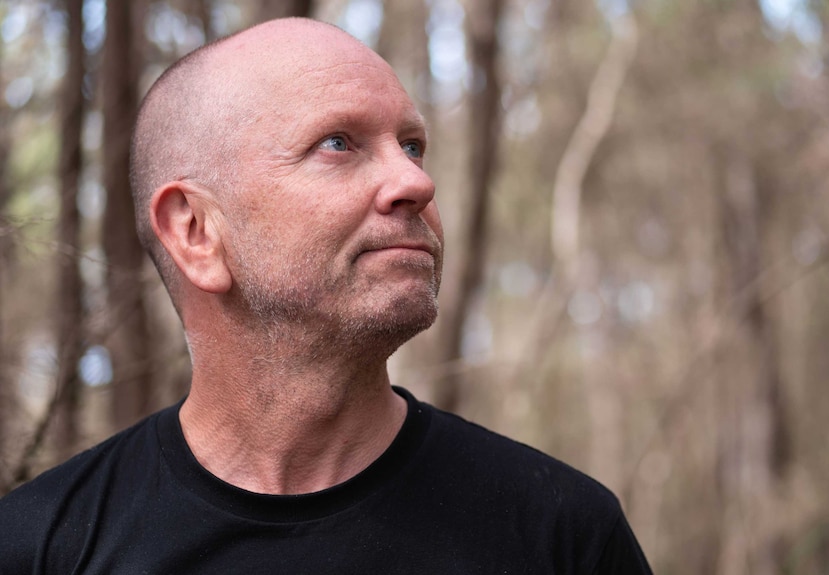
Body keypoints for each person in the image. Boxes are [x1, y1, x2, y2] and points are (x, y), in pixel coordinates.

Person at [0, 18, 652, 574]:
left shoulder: (561, 533)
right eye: (338, 144)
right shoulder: (39, 547)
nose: (414, 182)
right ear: (196, 231)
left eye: (413, 146)